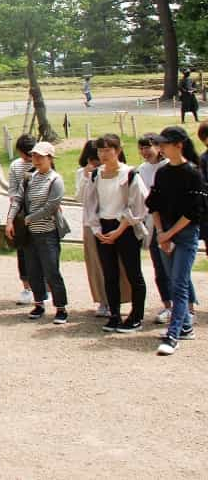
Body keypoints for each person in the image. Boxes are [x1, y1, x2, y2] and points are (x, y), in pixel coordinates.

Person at [79, 134, 150, 332]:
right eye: (100, 151)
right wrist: (97, 229)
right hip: (103, 227)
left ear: (117, 151)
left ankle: (136, 316)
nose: (103, 155)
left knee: (133, 272)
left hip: (125, 228)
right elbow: (90, 205)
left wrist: (120, 229)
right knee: (109, 274)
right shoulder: (96, 175)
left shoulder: (129, 174)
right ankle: (114, 314)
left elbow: (139, 205)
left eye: (108, 150)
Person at [146, 126, 205, 355]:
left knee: (179, 283)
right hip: (166, 231)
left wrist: (168, 234)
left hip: (185, 233)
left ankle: (173, 335)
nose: (160, 148)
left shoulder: (193, 173)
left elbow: (194, 213)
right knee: (172, 280)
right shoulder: (162, 172)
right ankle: (185, 325)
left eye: (164, 144)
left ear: (178, 145)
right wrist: (161, 232)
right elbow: (154, 205)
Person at [6, 142, 69, 325]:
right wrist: (10, 220)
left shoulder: (55, 179)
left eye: (41, 157)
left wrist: (29, 219)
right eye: (34, 156)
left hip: (47, 232)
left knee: (51, 271)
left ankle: (61, 307)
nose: (37, 160)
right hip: (29, 234)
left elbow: (51, 206)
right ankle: (39, 302)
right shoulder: (29, 178)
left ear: (50, 158)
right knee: (32, 270)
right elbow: (17, 200)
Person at [75, 140, 132, 317]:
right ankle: (102, 300)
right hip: (91, 224)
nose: (98, 161)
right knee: (95, 263)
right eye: (94, 158)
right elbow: (80, 198)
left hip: (114, 222)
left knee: (120, 265)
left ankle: (121, 299)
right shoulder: (84, 173)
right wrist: (86, 177)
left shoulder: (123, 171)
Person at [138, 134, 173, 325]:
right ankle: (167, 304)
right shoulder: (141, 170)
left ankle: (183, 305)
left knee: (173, 267)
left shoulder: (167, 167)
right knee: (159, 267)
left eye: (147, 147)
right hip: (151, 223)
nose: (144, 152)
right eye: (141, 148)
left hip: (168, 222)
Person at [4, 133, 37, 304]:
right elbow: (12, 189)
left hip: (39, 213)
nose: (28, 158)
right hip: (20, 212)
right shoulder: (16, 166)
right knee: (22, 250)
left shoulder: (43, 163)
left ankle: (44, 286)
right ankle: (27, 287)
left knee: (41, 249)